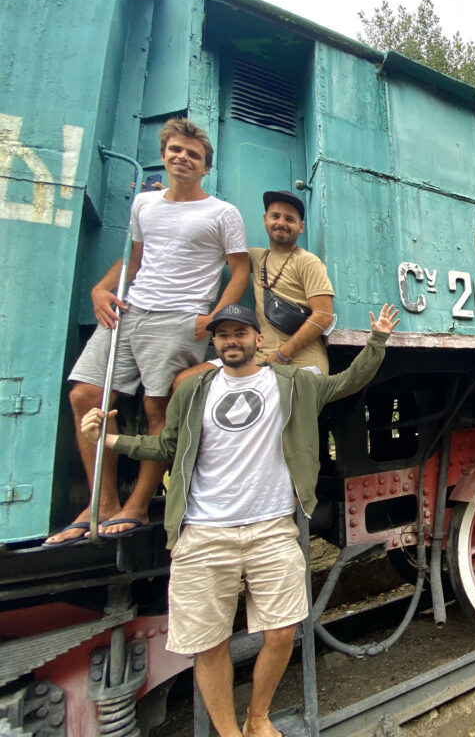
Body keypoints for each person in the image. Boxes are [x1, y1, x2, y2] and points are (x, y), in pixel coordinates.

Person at [80, 302, 400, 737]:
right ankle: (230, 732)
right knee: (209, 643)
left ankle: (257, 717)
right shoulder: (192, 392)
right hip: (204, 533)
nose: (231, 341)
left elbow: (350, 381)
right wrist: (110, 439)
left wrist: (377, 339)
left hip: (272, 528)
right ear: (214, 342)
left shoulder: (293, 384)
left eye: (239, 333)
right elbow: (165, 447)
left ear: (257, 339)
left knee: (283, 631)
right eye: (223, 335)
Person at [46, 118, 250, 545]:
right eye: (176, 150)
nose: (183, 158)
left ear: (205, 167)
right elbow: (134, 260)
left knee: (159, 409)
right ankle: (101, 502)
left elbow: (240, 270)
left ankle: (137, 505)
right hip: (131, 309)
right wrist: (102, 288)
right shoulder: (145, 205)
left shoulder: (222, 212)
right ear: (164, 155)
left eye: (193, 154)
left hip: (180, 317)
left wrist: (213, 318)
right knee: (84, 395)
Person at [173, 189, 333, 388]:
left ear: (301, 227)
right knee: (184, 383)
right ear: (265, 219)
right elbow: (209, 248)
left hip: (301, 363)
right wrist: (179, 205)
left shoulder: (308, 262)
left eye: (290, 219)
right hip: (256, 359)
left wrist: (281, 355)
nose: (281, 223)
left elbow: (323, 315)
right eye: (275, 216)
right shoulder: (256, 257)